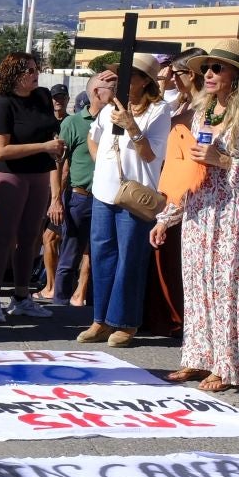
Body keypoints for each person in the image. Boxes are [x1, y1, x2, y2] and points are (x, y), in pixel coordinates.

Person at [149, 39, 239, 392]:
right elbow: (189, 171)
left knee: (227, 291)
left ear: (236, 77)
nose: (208, 73)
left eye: (216, 68)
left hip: (232, 215)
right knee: (197, 286)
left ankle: (227, 365)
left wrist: (223, 161)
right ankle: (198, 357)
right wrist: (166, 217)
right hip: (198, 212)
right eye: (206, 67)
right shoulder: (204, 113)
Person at [80, 59, 170, 348]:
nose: (121, 81)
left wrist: (132, 126)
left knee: (130, 258)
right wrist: (102, 165)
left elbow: (151, 155)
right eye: (120, 76)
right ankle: (101, 319)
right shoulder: (109, 108)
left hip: (136, 195)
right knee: (102, 254)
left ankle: (125, 322)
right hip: (104, 191)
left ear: (145, 80)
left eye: (129, 76)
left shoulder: (159, 110)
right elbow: (92, 137)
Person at [0, 51, 61, 323]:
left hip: (39, 173)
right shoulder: (4, 104)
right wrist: (44, 147)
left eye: (36, 67)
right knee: (4, 237)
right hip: (10, 176)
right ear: (14, 74)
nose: (35, 72)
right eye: (28, 69)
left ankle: (22, 296)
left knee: (30, 238)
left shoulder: (42, 97)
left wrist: (55, 145)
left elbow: (48, 131)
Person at [53, 75, 104, 307]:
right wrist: (56, 200)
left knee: (100, 256)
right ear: (96, 93)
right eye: (111, 89)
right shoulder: (73, 123)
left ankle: (94, 307)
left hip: (107, 200)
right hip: (80, 198)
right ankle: (60, 305)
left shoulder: (116, 121)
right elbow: (59, 164)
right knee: (69, 255)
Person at [36, 83, 73, 302]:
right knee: (37, 239)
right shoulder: (43, 124)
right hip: (40, 187)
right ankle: (44, 281)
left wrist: (58, 195)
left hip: (61, 192)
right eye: (55, 97)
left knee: (50, 238)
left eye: (62, 97)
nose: (58, 101)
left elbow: (64, 164)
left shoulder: (69, 123)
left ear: (68, 100)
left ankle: (52, 286)